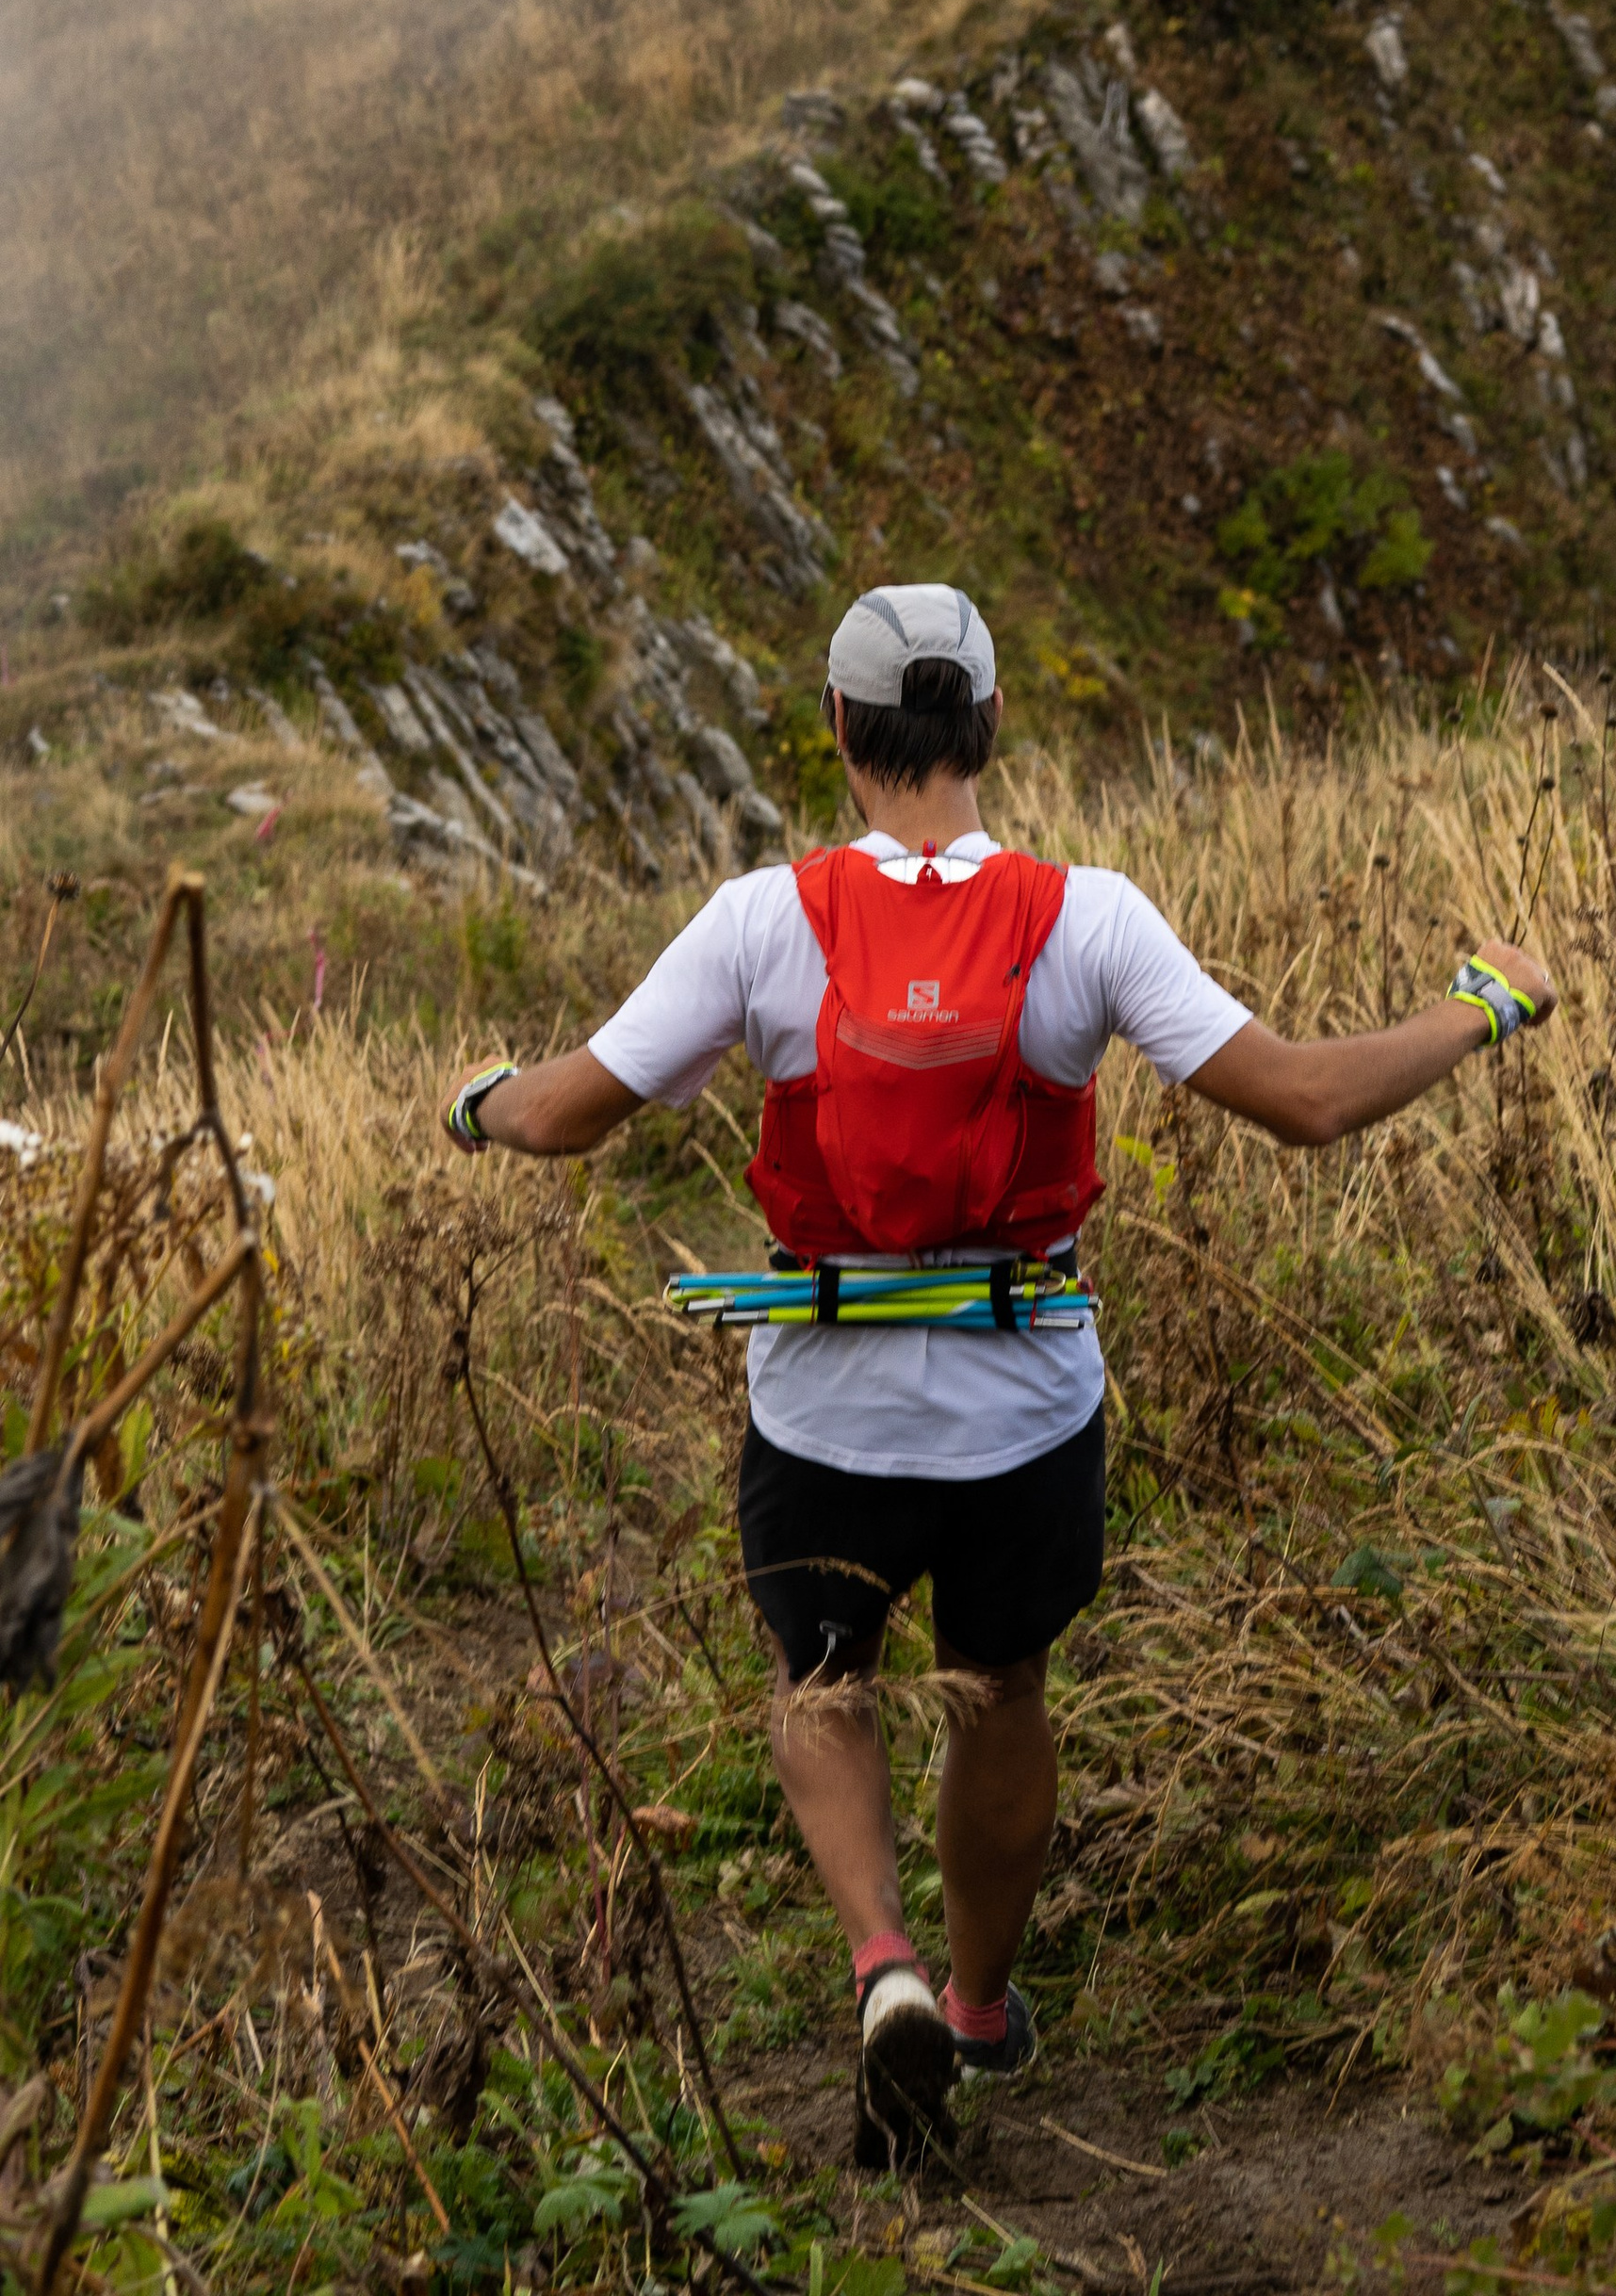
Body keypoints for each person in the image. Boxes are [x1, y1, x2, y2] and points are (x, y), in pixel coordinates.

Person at [443, 584, 1555, 2163]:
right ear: (990, 727)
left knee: (821, 1682)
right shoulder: (1084, 917)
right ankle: (974, 2004)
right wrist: (1485, 1003)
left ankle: (880, 1964)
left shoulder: (764, 919)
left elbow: (561, 1115)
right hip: (1025, 1407)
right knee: (1004, 1686)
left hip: (820, 1407)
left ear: (839, 731)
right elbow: (1307, 1100)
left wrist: (475, 1100)